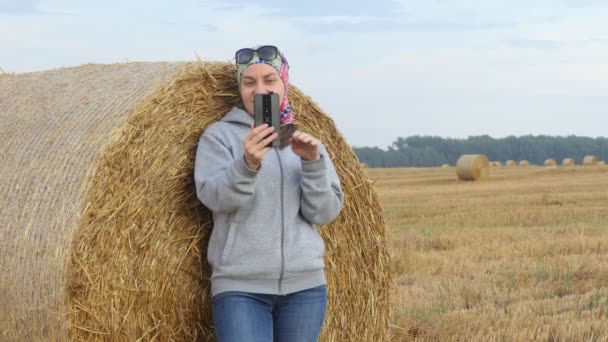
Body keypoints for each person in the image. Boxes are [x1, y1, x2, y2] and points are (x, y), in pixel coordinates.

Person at [194, 45, 344, 342]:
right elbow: (214, 198)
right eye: (249, 82)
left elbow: (324, 213)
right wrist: (247, 164)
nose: (259, 89)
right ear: (241, 88)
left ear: (284, 84)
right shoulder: (219, 137)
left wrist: (313, 163)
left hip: (306, 288)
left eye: (269, 80)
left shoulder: (308, 143)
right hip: (240, 288)